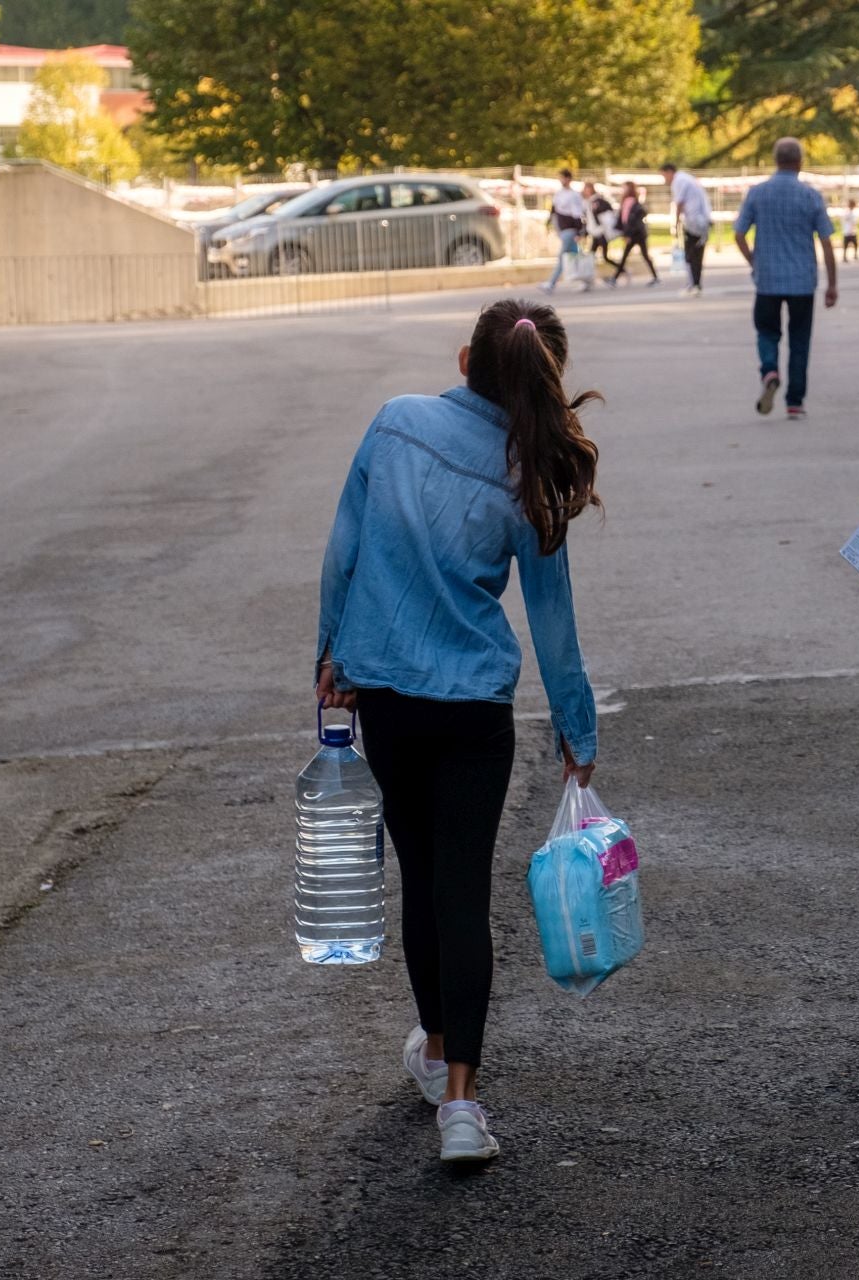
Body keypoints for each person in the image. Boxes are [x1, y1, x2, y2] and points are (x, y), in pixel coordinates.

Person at [315, 298, 603, 1162]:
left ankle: (436, 1054)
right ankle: (464, 1110)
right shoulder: (530, 471)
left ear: (463, 358)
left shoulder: (396, 424)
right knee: (463, 892)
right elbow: (554, 621)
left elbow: (343, 549)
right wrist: (576, 729)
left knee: (420, 882)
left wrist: (330, 659)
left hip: (389, 696)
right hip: (476, 708)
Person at [733, 137, 839, 421]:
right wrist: (832, 283)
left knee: (767, 331)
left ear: (776, 159)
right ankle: (795, 401)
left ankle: (769, 369)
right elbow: (827, 241)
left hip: (767, 280)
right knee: (799, 340)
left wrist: (753, 261)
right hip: (803, 282)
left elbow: (739, 233)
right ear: (800, 162)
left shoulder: (757, 193)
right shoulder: (810, 196)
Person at [661, 161, 712, 296]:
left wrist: (676, 223)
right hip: (702, 220)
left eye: (664, 176)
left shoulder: (678, 181)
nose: (665, 180)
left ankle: (694, 284)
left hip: (694, 222)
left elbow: (679, 203)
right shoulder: (686, 178)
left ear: (669, 172)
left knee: (691, 255)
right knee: (696, 254)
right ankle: (695, 284)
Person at [541, 169, 588, 295]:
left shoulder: (574, 195)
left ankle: (551, 283)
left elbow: (577, 214)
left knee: (562, 257)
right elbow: (553, 210)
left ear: (568, 179)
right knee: (574, 256)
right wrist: (548, 223)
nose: (561, 180)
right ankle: (584, 281)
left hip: (570, 230)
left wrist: (579, 232)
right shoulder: (559, 194)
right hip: (562, 231)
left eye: (563, 178)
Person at [608, 180, 658, 287]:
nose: (622, 190)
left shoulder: (630, 201)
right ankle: (614, 278)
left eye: (624, 188)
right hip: (635, 233)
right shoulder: (629, 201)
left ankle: (614, 278)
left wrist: (628, 235)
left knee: (634, 255)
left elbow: (630, 220)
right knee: (631, 255)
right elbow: (623, 220)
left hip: (636, 233)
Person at [584, 181, 617, 270]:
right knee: (592, 255)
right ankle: (587, 278)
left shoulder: (597, 201)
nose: (584, 191)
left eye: (586, 189)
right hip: (596, 232)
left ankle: (621, 270)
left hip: (601, 232)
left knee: (603, 257)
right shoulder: (590, 202)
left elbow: (604, 214)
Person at [841, 198, 859, 262]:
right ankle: (844, 256)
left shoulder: (854, 212)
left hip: (853, 231)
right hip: (847, 231)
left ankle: (855, 255)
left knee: (855, 244)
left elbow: (856, 221)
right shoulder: (847, 212)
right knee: (846, 245)